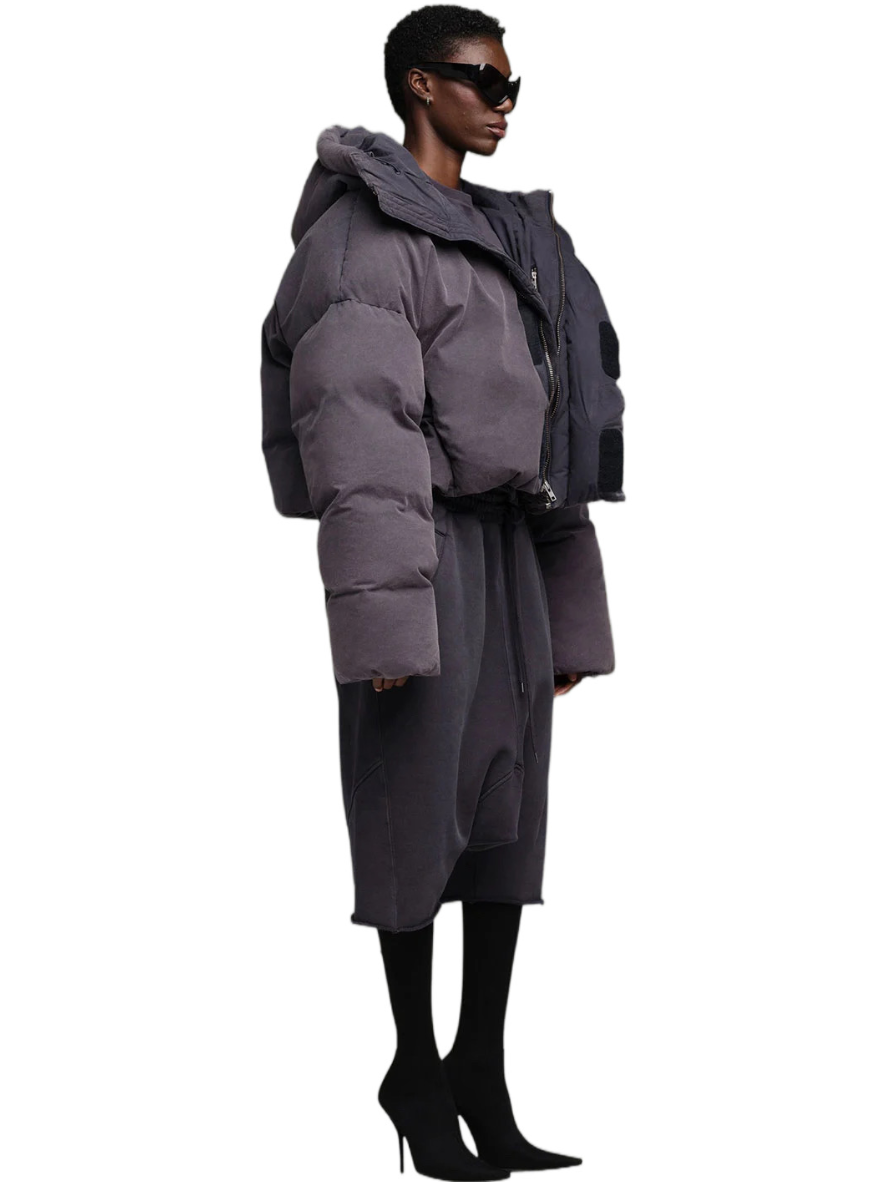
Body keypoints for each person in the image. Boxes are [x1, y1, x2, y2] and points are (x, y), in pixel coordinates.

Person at [260, 5, 625, 1177]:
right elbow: (360, 440)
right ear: (420, 85)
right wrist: (383, 623)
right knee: (414, 818)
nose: (503, 103)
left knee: (507, 828)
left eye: (514, 85)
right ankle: (413, 1072)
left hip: (510, 555)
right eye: (481, 80)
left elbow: (547, 431)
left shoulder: (510, 241)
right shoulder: (364, 244)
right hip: (418, 554)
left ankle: (481, 1068)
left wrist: (566, 617)